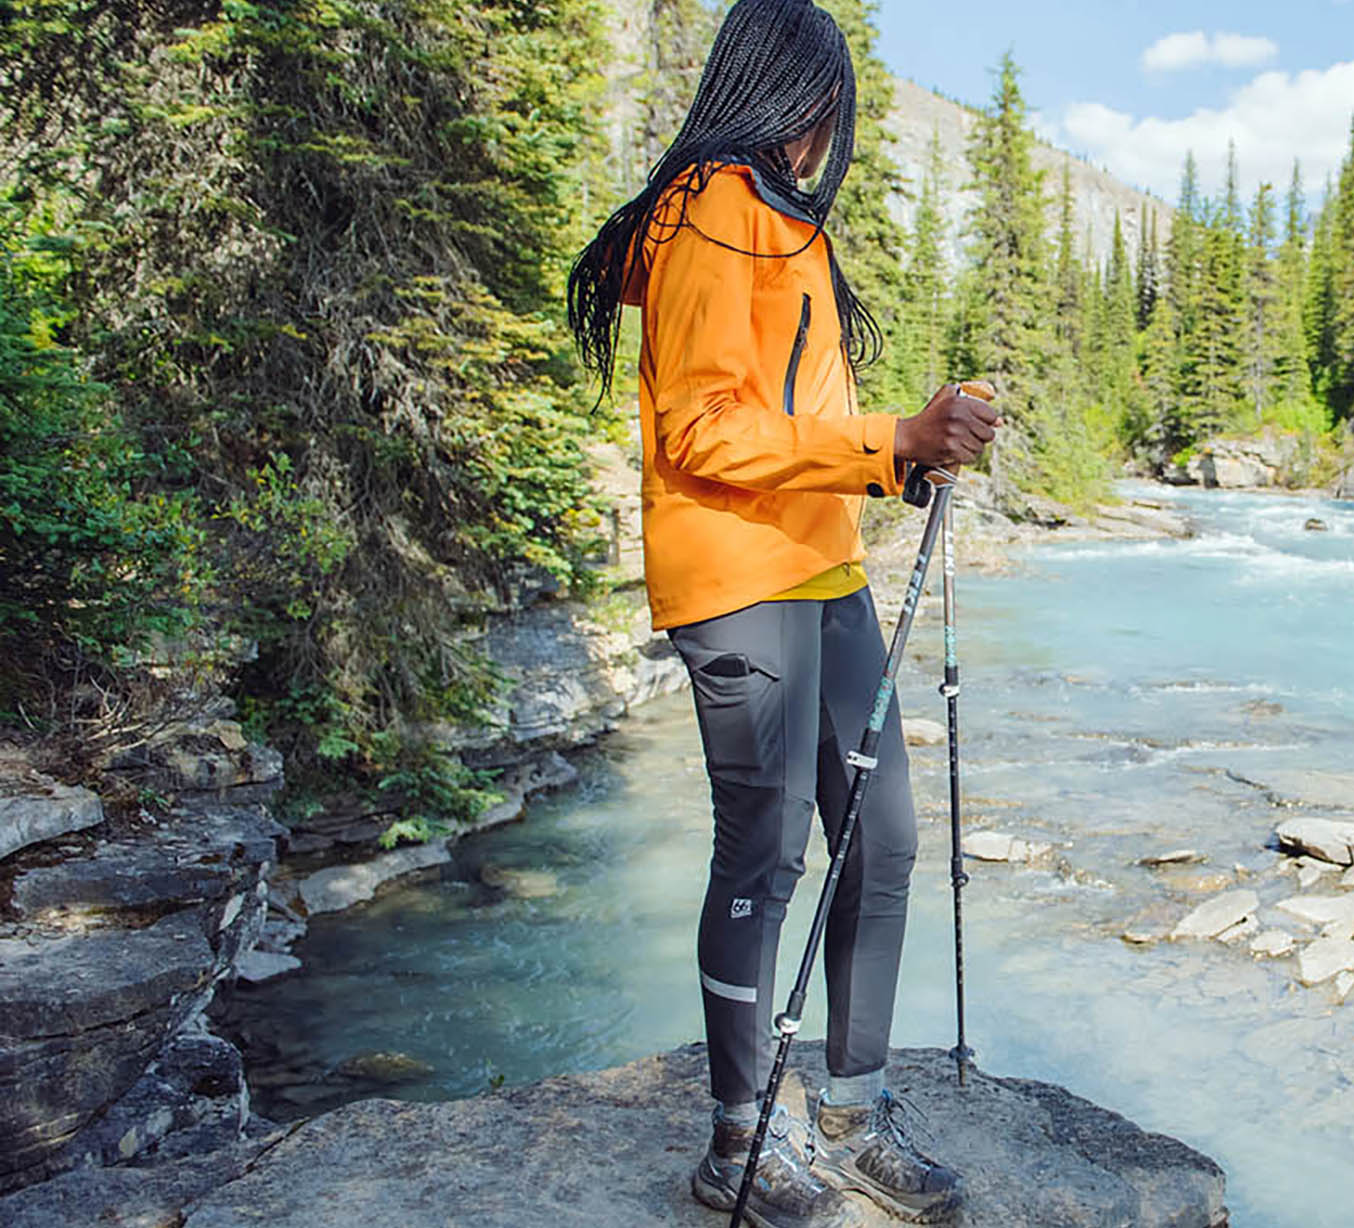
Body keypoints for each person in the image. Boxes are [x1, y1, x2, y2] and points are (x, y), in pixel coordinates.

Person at [566, 2, 1000, 1224]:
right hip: (735, 580)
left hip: (820, 565)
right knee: (762, 857)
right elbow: (701, 428)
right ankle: (736, 1139)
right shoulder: (710, 209)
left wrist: (910, 447)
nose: (831, 126)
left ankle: (854, 1111)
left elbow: (796, 412)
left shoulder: (782, 217)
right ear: (790, 92)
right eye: (826, 98)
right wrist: (888, 438)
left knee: (886, 839)